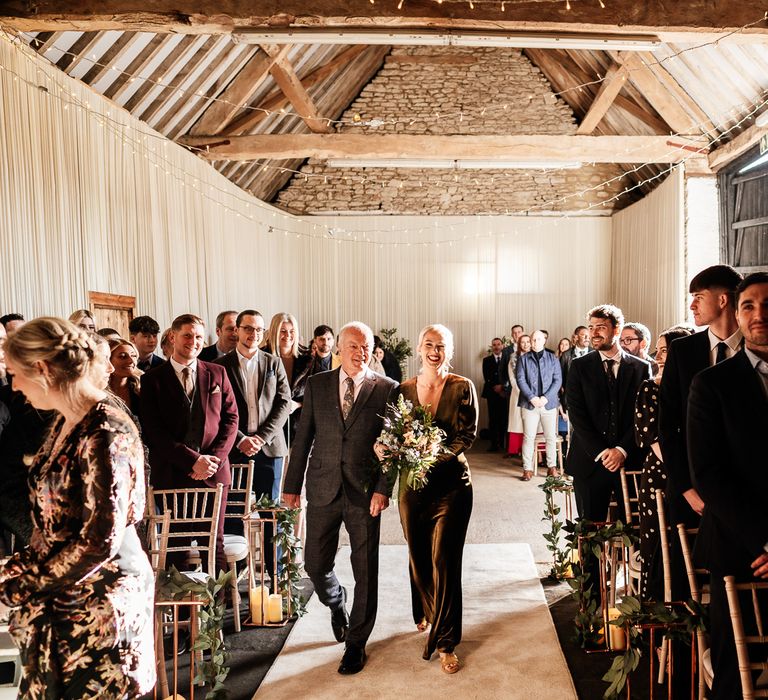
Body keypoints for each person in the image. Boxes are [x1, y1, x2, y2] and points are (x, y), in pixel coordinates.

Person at [0, 318, 155, 697]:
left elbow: (99, 540)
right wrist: (10, 570)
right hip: (66, 598)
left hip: (99, 605)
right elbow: (53, 526)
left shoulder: (105, 430)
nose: (14, 385)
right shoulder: (67, 420)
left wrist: (18, 587)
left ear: (42, 369)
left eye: (16, 374)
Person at [283, 322, 398, 675]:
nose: (361, 352)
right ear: (340, 349)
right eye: (354, 346)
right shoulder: (318, 385)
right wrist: (291, 486)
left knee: (366, 570)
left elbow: (393, 445)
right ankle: (336, 602)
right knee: (315, 564)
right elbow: (303, 438)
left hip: (365, 492)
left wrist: (383, 487)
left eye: (366, 347)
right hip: (322, 485)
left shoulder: (387, 389)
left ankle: (356, 644)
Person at [688, 272, 768, 700]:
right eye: (749, 306)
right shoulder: (712, 383)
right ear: (736, 314)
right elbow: (711, 474)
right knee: (735, 673)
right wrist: (765, 539)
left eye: (767, 305)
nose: (759, 315)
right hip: (741, 546)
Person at [380, 324, 477, 674]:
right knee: (419, 557)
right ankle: (424, 612)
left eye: (441, 346)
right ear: (419, 349)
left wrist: (435, 453)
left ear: (449, 350)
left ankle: (446, 640)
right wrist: (388, 452)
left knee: (444, 560)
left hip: (452, 485)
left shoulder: (462, 387)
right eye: (429, 344)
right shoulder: (401, 390)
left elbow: (468, 434)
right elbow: (390, 435)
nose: (435, 351)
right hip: (412, 487)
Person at [659, 264, 742, 599]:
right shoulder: (684, 350)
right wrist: (687, 489)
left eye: (698, 297)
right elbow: (668, 425)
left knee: (735, 580)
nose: (691, 305)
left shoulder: (755, 347)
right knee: (683, 579)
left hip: (742, 483)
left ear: (723, 300)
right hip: (689, 484)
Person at [140, 313, 239, 572]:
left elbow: (231, 420)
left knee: (214, 542)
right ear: (173, 337)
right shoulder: (152, 379)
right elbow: (154, 432)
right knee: (177, 543)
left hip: (214, 474)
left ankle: (217, 607)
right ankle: (184, 609)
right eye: (187, 335)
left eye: (198, 337)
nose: (193, 342)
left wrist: (211, 461)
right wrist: (193, 461)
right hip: (173, 474)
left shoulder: (217, 372)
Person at [565, 304, 650, 523]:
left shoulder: (641, 368)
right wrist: (602, 452)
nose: (594, 333)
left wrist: (622, 450)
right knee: (589, 531)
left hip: (629, 460)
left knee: (632, 529)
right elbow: (577, 413)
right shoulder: (579, 366)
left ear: (617, 329)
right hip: (590, 460)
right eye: (591, 327)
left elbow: (642, 415)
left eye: (601, 327)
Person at [634, 325, 692, 601]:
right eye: (658, 349)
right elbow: (652, 437)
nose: (658, 356)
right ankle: (655, 607)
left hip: (692, 474)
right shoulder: (650, 388)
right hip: (661, 473)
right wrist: (685, 473)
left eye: (666, 350)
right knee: (658, 544)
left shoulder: (695, 385)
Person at [214, 309, 291, 504]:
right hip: (234, 448)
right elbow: (217, 409)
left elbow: (284, 403)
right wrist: (241, 439)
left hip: (270, 448)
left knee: (270, 513)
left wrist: (261, 438)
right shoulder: (219, 366)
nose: (253, 334)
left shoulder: (274, 363)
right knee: (234, 511)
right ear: (237, 331)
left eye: (258, 329)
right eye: (248, 328)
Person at [516, 330, 562, 481]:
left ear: (544, 341)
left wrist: (545, 398)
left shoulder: (553, 358)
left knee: (550, 437)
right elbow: (520, 380)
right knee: (528, 437)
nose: (535, 342)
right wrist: (532, 397)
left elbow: (558, 380)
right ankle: (527, 469)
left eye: (538, 339)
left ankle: (552, 467)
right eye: (533, 340)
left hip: (548, 404)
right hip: (529, 404)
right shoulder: (523, 359)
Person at [262, 312, 311, 442]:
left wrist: (298, 404)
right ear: (274, 332)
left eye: (292, 331)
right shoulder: (262, 357)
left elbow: (317, 394)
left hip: (299, 425)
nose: (288, 335)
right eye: (282, 331)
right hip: (269, 425)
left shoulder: (308, 358)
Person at [504, 333, 530, 457]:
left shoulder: (534, 356)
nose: (525, 344)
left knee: (531, 423)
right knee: (517, 422)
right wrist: (521, 390)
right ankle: (515, 449)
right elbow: (512, 377)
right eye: (522, 342)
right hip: (518, 392)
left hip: (533, 395)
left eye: (527, 341)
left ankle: (532, 453)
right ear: (519, 344)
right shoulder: (514, 357)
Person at [481, 337, 507, 452]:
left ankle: (502, 443)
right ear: (492, 347)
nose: (496, 347)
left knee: (503, 418)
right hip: (491, 393)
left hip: (505, 393)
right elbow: (487, 377)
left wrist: (502, 387)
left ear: (502, 346)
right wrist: (496, 388)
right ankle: (493, 444)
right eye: (494, 345)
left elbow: (508, 376)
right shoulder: (486, 360)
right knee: (493, 419)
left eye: (498, 344)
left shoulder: (507, 359)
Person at [107, 337, 142, 417]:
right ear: (108, 360)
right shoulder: (99, 390)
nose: (131, 361)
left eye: (133, 356)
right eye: (123, 356)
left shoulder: (142, 387)